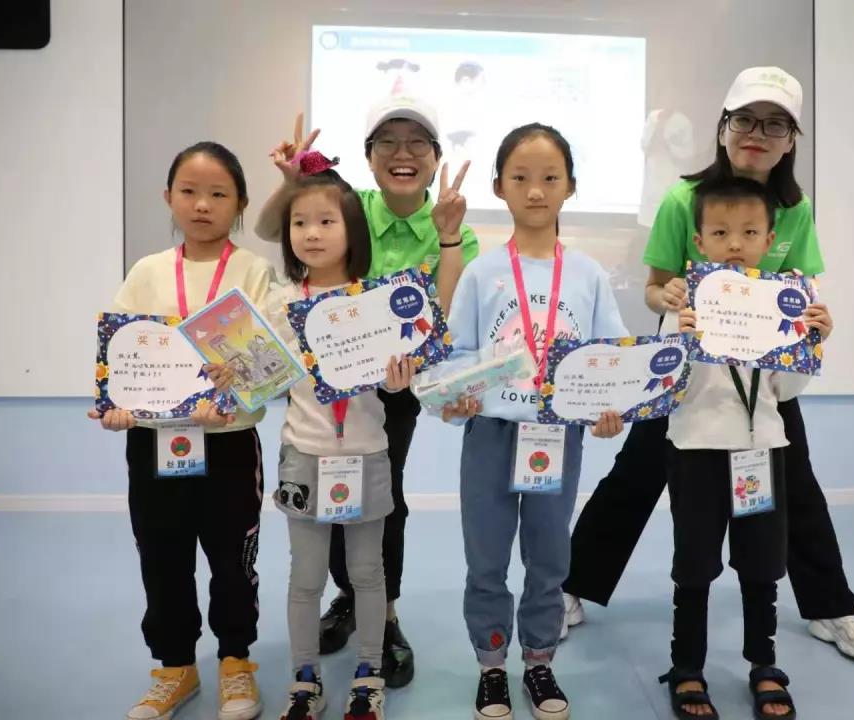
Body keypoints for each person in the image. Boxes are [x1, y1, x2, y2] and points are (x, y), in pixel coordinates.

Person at [564, 66, 854, 661]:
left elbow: (802, 289)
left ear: (791, 141)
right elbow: (655, 287)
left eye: (775, 125)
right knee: (637, 474)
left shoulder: (795, 209)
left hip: (762, 380)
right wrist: (669, 297)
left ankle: (832, 607)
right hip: (685, 369)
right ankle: (570, 588)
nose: (756, 134)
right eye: (745, 120)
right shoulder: (682, 200)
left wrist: (815, 323)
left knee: (795, 484)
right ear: (723, 127)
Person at [256, 97, 478, 687]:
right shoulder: (348, 205)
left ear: (436, 156)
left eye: (417, 142)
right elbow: (281, 227)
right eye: (387, 142)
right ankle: (351, 598)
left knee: (381, 496)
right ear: (369, 156)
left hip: (393, 382)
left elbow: (441, 313)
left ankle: (384, 609)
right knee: (325, 491)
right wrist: (292, 183)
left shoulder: (452, 224)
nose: (403, 153)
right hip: (316, 393)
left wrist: (448, 239)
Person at [441, 123, 627, 720]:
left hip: (558, 435)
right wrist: (457, 396)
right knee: (486, 558)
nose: (537, 190)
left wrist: (610, 411)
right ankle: (492, 665)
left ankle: (540, 661)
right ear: (499, 186)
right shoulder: (481, 272)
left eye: (550, 177)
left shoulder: (589, 275)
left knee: (549, 559)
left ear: (571, 186)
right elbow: (459, 353)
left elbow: (609, 356)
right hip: (492, 435)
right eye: (520, 178)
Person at [91, 141, 273, 720]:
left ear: (240, 203)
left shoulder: (252, 271)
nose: (202, 205)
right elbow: (122, 355)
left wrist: (231, 395)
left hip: (229, 446)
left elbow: (265, 368)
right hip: (153, 446)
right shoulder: (146, 272)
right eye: (189, 192)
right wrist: (118, 407)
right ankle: (175, 668)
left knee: (233, 562)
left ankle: (236, 663)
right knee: (162, 557)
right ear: (168, 196)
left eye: (218, 194)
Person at [658, 176, 833, 720]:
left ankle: (764, 664)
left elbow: (786, 391)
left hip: (762, 450)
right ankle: (687, 667)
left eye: (749, 232)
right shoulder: (681, 307)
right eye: (720, 232)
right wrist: (680, 337)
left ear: (769, 240)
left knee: (762, 565)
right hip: (696, 451)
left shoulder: (781, 306)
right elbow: (665, 386)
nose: (735, 243)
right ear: (699, 242)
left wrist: (810, 342)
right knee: (694, 565)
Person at [260, 166, 417, 720]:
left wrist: (400, 380)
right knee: (305, 578)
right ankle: (305, 679)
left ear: (353, 229)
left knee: (367, 574)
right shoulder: (281, 303)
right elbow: (266, 377)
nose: (311, 233)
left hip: (367, 453)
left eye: (326, 221)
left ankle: (368, 674)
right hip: (303, 455)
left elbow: (395, 383)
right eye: (299, 222)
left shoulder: (381, 302)